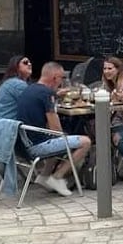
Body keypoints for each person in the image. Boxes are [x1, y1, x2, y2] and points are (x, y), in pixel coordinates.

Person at [16, 61, 91, 197]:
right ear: (55, 77)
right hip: (36, 147)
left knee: (59, 139)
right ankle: (57, 177)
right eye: (62, 78)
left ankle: (44, 177)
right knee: (85, 141)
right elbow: (56, 129)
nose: (62, 81)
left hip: (22, 145)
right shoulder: (46, 94)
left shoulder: (30, 89)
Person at [0, 55, 33, 120]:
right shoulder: (18, 84)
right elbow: (31, 105)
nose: (29, 64)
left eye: (30, 62)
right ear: (16, 66)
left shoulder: (8, 82)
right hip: (8, 125)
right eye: (25, 62)